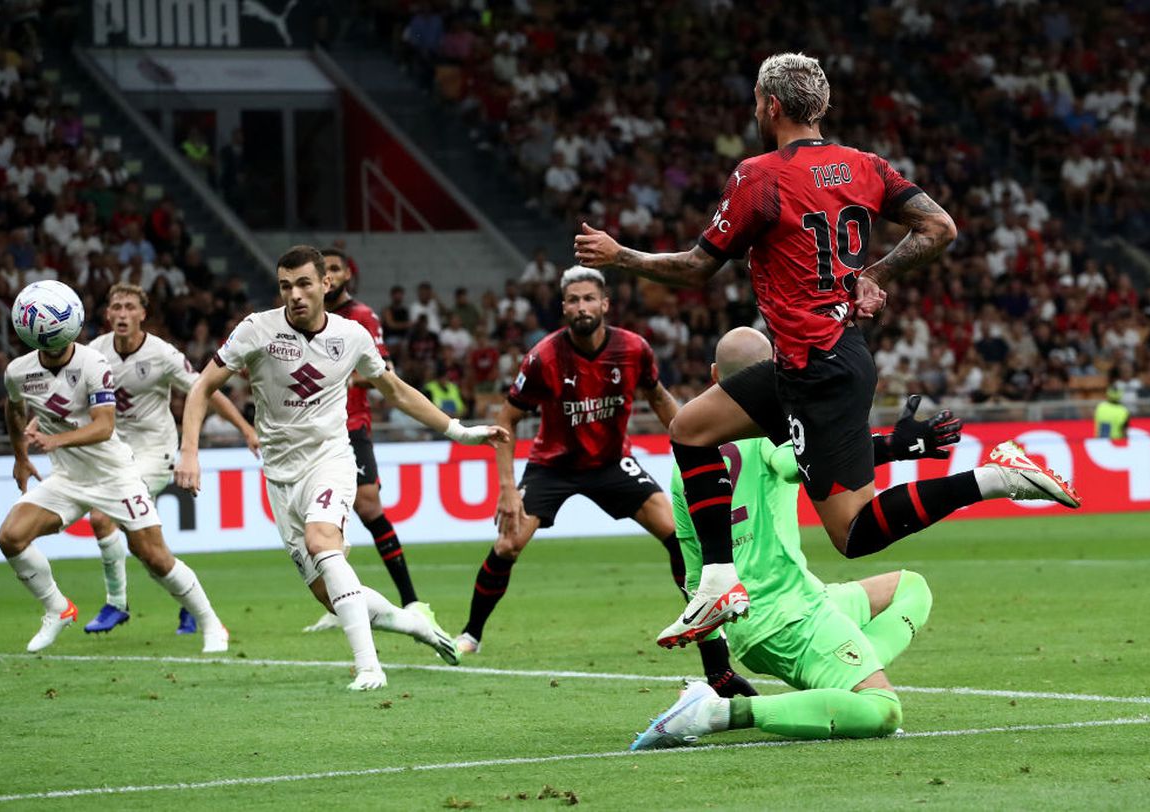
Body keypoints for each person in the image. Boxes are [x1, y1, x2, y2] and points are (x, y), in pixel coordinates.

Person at [574, 52, 1081, 648]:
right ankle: (716, 582)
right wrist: (875, 274)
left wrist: (620, 256)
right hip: (812, 360)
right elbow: (939, 227)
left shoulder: (759, 176)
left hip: (821, 368)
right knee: (689, 428)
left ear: (771, 106)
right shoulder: (865, 166)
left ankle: (995, 478)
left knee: (854, 534)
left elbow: (694, 270)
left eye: (757, 104)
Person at [175, 246, 510, 691]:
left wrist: (460, 431)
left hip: (330, 461)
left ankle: (369, 666)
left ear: (325, 284)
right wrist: (190, 451)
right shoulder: (256, 330)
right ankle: (414, 625)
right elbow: (202, 386)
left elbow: (396, 391)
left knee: (322, 541)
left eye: (304, 284)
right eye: (285, 286)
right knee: (331, 596)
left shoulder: (352, 336)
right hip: (279, 476)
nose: (294, 294)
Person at [457, 266, 755, 698]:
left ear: (605, 304)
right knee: (507, 545)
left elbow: (661, 400)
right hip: (552, 466)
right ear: (564, 308)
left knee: (678, 537)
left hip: (614, 463)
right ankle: (471, 634)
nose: (582, 307)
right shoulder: (543, 357)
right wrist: (506, 488)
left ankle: (717, 665)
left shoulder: (633, 349)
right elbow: (506, 419)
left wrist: (701, 443)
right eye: (574, 300)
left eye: (589, 299)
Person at [632, 328, 935, 749]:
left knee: (910, 589)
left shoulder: (687, 463)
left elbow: (693, 574)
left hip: (762, 613)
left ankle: (837, 675)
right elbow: (793, 462)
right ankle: (719, 713)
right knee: (881, 711)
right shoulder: (771, 432)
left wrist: (717, 663)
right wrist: (893, 447)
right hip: (787, 620)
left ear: (717, 374)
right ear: (774, 373)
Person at [0, 283, 228, 654]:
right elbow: (13, 410)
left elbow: (104, 425)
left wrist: (55, 441)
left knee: (153, 555)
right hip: (68, 479)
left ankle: (210, 622)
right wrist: (21, 457)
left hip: (114, 475)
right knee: (10, 537)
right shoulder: (18, 372)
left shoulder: (92, 362)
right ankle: (58, 609)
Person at [82, 284, 259, 635]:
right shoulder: (93, 352)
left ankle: (116, 604)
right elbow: (68, 393)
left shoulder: (162, 355)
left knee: (101, 517)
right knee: (146, 547)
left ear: (142, 314)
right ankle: (190, 606)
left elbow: (204, 389)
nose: (121, 313)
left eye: (130, 307)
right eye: (116, 306)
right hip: (115, 455)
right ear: (107, 314)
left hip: (155, 453)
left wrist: (245, 429)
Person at [302, 247, 424, 634]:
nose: (331, 275)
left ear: (345, 276)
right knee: (323, 520)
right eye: (326, 269)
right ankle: (341, 599)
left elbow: (383, 372)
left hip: (351, 424)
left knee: (368, 506)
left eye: (337, 269)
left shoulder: (361, 317)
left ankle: (412, 601)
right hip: (311, 430)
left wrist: (338, 376)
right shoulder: (305, 318)